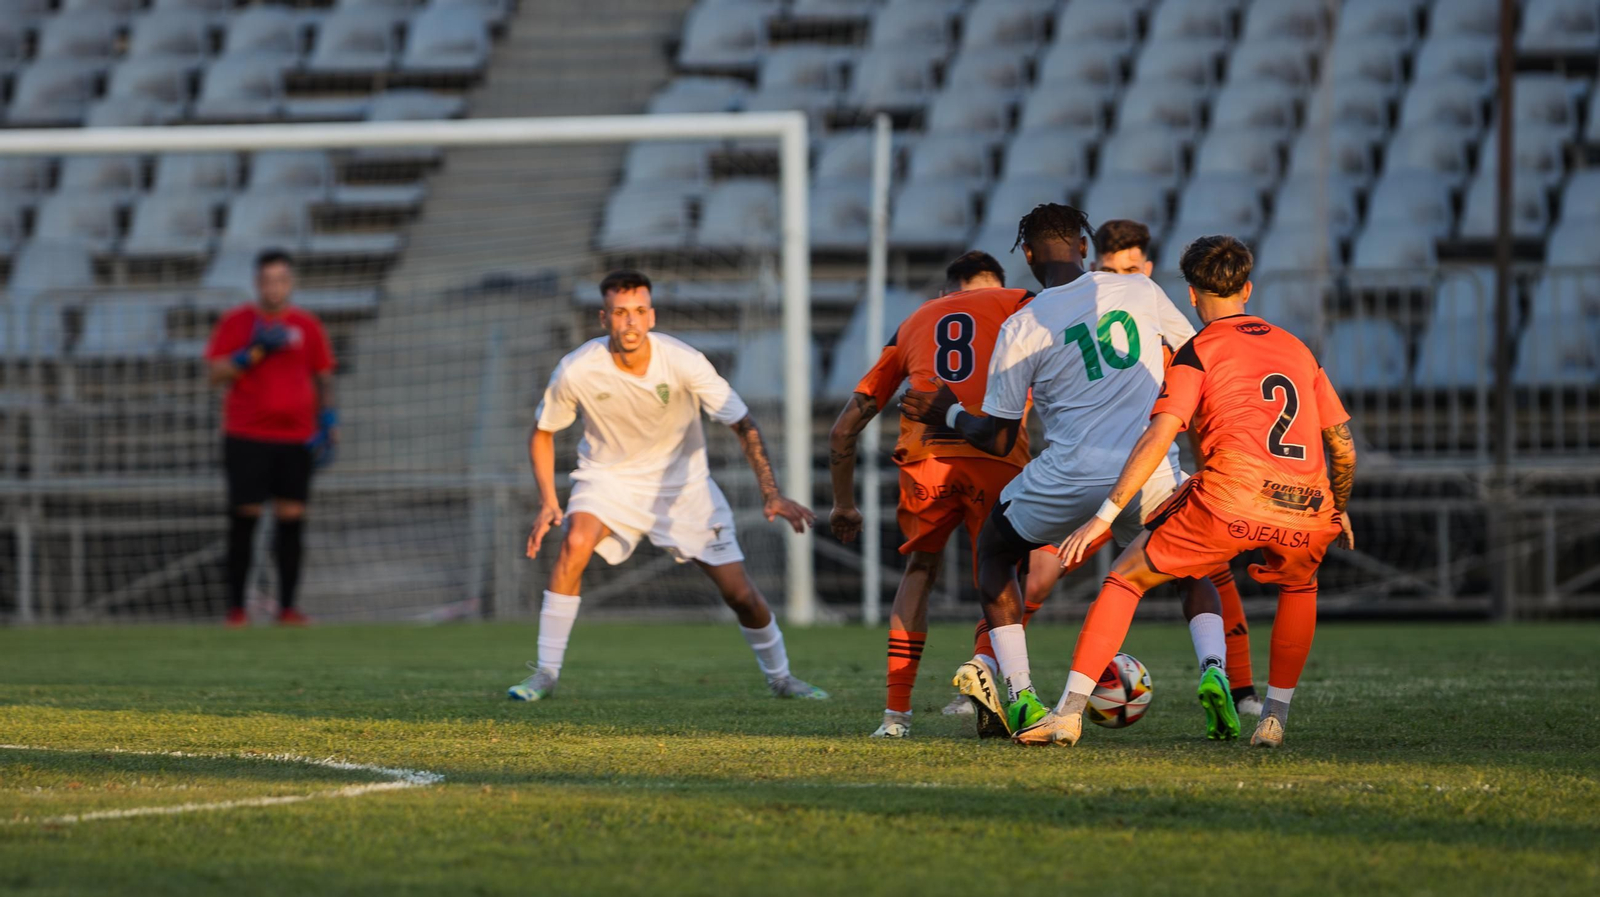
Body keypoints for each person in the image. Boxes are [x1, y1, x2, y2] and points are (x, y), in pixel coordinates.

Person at [901, 205, 1238, 742]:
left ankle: (1023, 696)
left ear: (1028, 256)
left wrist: (946, 411)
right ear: (1084, 246)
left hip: (1071, 474)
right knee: (1190, 569)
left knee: (994, 550)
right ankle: (1215, 671)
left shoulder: (1024, 323)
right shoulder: (1141, 292)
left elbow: (1000, 438)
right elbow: (1196, 352)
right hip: (1149, 468)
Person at [1032, 235, 1357, 748]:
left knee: (1125, 578)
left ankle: (1068, 713)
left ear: (1190, 295)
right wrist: (1338, 508)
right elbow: (1342, 444)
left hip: (1229, 500)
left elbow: (1160, 433)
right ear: (1247, 288)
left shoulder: (1197, 351)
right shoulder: (1297, 347)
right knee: (1301, 587)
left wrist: (1104, 514)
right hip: (1306, 506)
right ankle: (1273, 719)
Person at [512, 270, 827, 702]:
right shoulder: (577, 369)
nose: (631, 322)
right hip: (609, 481)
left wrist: (771, 493)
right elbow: (542, 431)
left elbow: (743, 423)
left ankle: (781, 677)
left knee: (739, 594)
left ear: (652, 316)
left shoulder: (683, 361)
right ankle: (545, 673)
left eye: (639, 311)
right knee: (575, 540)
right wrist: (549, 501)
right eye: (620, 313)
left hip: (685, 490)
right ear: (603, 319)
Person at [829, 250, 1039, 737]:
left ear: (947, 292)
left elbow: (843, 431)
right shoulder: (1020, 304)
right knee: (1003, 568)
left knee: (919, 569)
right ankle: (987, 671)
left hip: (926, 460)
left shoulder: (916, 319)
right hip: (997, 460)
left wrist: (843, 504)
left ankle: (895, 717)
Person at [1091, 219, 1264, 716]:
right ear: (1093, 268)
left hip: (1144, 474)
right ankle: (988, 673)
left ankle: (1241, 686)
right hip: (1098, 469)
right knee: (1034, 566)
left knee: (1207, 571)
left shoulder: (1167, 327)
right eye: (1110, 269)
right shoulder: (1082, 322)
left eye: (1131, 268)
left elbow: (1203, 399)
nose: (1122, 277)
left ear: (1146, 269)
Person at [204, 249, 338, 628]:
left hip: (296, 440)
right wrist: (254, 352)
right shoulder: (238, 323)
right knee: (244, 520)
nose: (274, 287)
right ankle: (236, 609)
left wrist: (330, 420)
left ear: (290, 282)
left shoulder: (307, 326)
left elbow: (324, 374)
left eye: (281, 280)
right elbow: (215, 375)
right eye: (267, 280)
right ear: (257, 283)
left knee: (292, 522)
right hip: (246, 436)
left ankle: (288, 608)